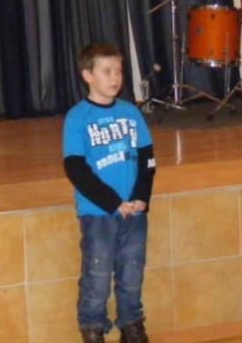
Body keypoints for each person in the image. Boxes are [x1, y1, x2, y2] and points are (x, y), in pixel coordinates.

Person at [62, 42, 157, 343]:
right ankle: (92, 328)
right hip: (98, 214)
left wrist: (141, 197)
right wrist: (113, 203)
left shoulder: (131, 113)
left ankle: (132, 324)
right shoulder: (77, 117)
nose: (115, 77)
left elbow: (147, 160)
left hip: (134, 212)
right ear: (88, 76)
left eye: (118, 70)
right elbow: (76, 169)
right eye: (107, 71)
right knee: (98, 274)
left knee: (132, 271)